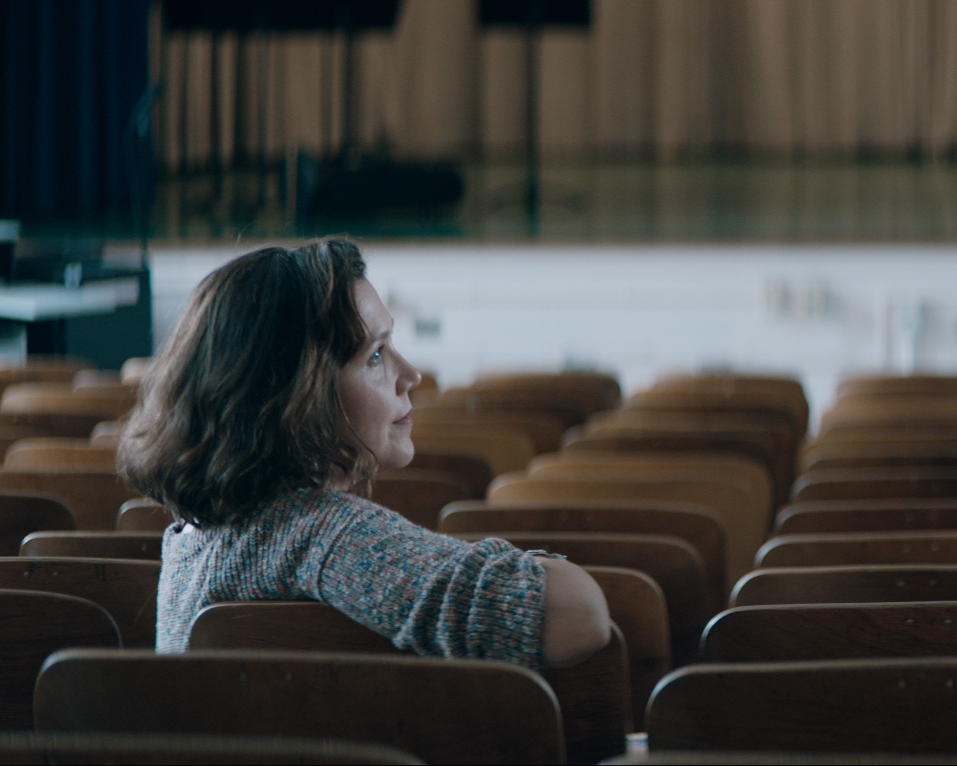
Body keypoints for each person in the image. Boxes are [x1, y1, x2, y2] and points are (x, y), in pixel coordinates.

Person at [122, 237, 611, 667]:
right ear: (300, 394)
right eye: (375, 355)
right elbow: (579, 616)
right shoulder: (319, 533)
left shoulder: (190, 537)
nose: (410, 374)